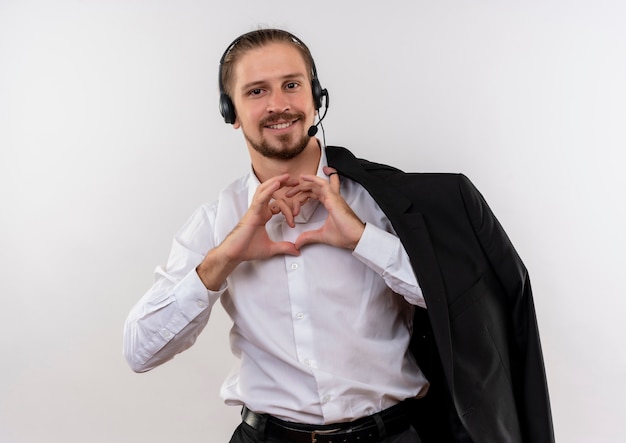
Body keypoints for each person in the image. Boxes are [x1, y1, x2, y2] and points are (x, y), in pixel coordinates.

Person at [123, 29, 554, 443]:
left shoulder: (385, 205)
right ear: (230, 112)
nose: (278, 104)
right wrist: (223, 258)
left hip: (396, 434)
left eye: (291, 85)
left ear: (317, 100)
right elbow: (140, 351)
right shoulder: (215, 223)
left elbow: (469, 312)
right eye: (256, 91)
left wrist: (363, 240)